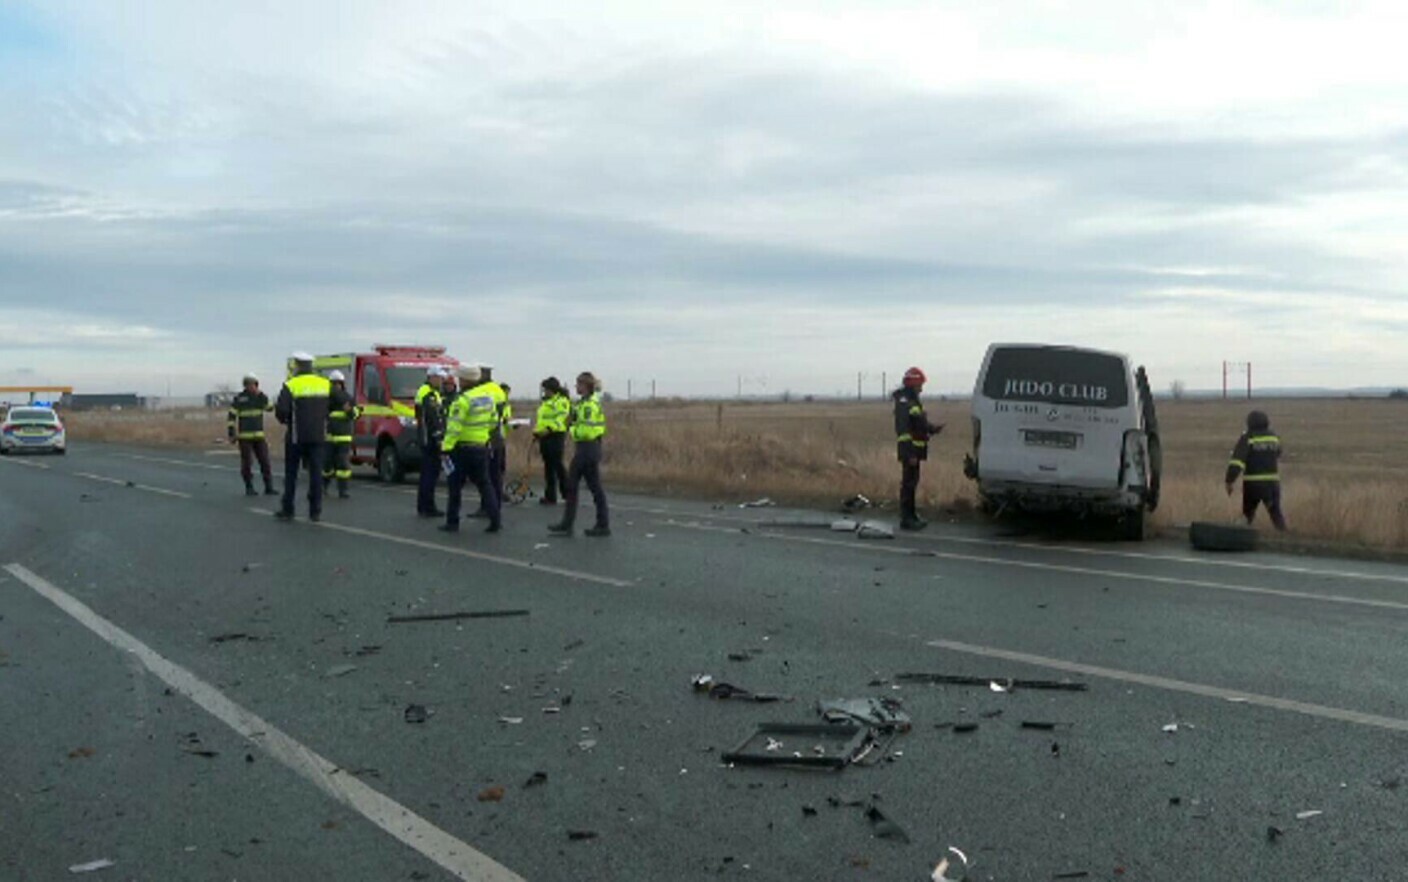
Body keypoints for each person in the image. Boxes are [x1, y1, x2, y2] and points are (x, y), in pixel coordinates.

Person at [439, 364, 501, 533]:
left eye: (460, 378)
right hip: (481, 447)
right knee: (485, 484)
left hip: (461, 448)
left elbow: (454, 427)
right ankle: (495, 519)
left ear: (465, 380)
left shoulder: (463, 400)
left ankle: (452, 522)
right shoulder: (488, 398)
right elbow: (493, 422)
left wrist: (446, 447)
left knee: (455, 485)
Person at [549, 372, 610, 537]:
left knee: (573, 485)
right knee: (594, 486)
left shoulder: (589, 405)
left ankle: (568, 523)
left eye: (578, 384)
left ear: (585, 386)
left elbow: (586, 430)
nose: (576, 387)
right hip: (588, 448)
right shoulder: (584, 403)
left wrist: (572, 428)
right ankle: (601, 523)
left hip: (587, 447)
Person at [274, 352, 332, 522]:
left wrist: (287, 420)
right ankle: (315, 511)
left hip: (296, 436)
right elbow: (342, 402)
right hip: (318, 436)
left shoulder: (291, 385)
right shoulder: (325, 384)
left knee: (291, 473)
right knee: (315, 474)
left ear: (298, 365)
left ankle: (288, 509)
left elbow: (282, 410)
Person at [892, 366, 944, 531]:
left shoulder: (912, 401)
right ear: (913, 384)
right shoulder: (904, 403)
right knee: (908, 485)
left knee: (912, 484)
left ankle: (912, 515)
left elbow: (918, 423)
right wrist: (910, 454)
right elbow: (903, 430)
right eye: (920, 384)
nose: (921, 388)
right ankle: (906, 519)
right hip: (911, 452)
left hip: (916, 451)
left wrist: (932, 429)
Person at [1225, 409, 1286, 531]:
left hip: (1253, 483)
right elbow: (1278, 453)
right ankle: (1285, 538)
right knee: (1276, 514)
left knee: (1247, 515)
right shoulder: (1273, 437)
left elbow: (1237, 461)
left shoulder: (1248, 437)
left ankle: (1239, 539)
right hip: (1272, 483)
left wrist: (1229, 481)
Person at [227, 373, 277, 497]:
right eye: (249, 384)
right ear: (245, 385)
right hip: (244, 437)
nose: (252, 387)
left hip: (259, 436)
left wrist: (262, 395)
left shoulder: (260, 397)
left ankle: (269, 487)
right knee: (247, 463)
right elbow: (231, 417)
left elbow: (270, 408)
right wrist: (232, 433)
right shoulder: (240, 399)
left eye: (254, 384)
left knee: (265, 461)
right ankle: (249, 487)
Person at [415, 366, 447, 517]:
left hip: (426, 438)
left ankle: (424, 506)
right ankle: (428, 506)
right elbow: (433, 419)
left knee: (427, 474)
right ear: (431, 377)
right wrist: (439, 438)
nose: (441, 380)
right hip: (429, 440)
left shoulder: (430, 392)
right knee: (430, 474)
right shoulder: (428, 394)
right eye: (439, 377)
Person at [534, 376, 571, 505]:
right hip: (544, 436)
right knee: (548, 467)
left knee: (558, 465)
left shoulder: (561, 401)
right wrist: (537, 432)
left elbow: (560, 418)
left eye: (546, 389)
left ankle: (568, 494)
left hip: (555, 435)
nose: (544, 392)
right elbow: (542, 420)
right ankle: (550, 496)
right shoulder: (546, 403)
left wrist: (549, 429)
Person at [321, 370, 357, 500]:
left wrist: (350, 411)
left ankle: (343, 490)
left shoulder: (348, 398)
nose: (336, 386)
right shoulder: (326, 400)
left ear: (342, 384)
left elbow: (356, 414)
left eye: (338, 383)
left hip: (344, 438)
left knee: (343, 465)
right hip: (329, 437)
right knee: (327, 465)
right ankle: (323, 487)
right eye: (334, 384)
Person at [478, 362, 509, 514]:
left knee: (487, 474)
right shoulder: (498, 390)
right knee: (495, 473)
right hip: (498, 435)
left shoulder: (483, 391)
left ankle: (487, 507)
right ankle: (494, 505)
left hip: (487, 434)